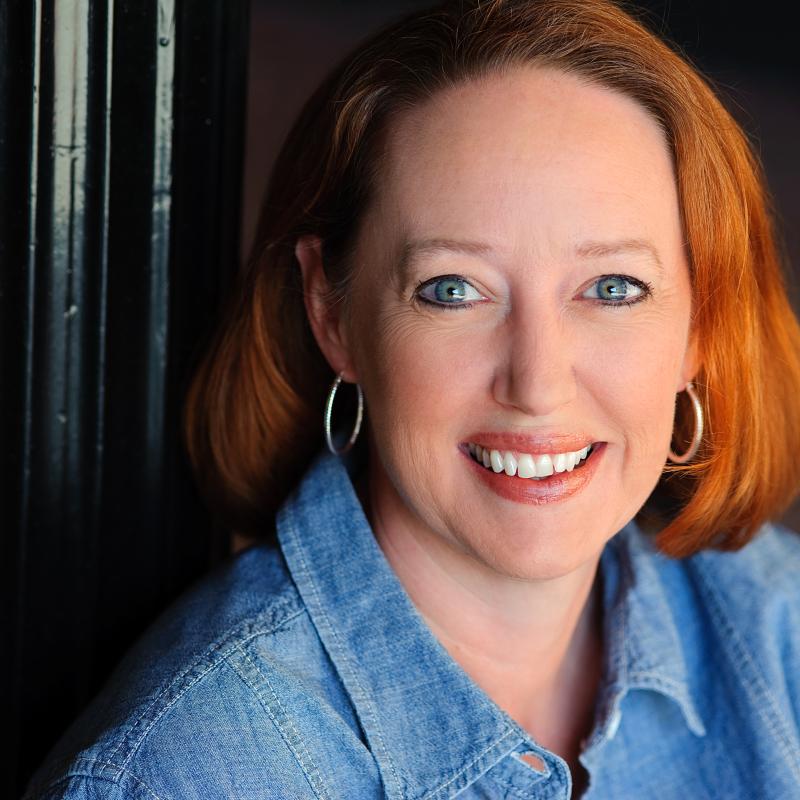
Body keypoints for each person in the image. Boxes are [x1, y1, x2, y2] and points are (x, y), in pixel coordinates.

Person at [23, 0, 800, 798]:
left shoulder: (776, 632)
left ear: (702, 322)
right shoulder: (183, 772)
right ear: (333, 314)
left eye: (612, 287)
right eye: (454, 289)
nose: (537, 383)